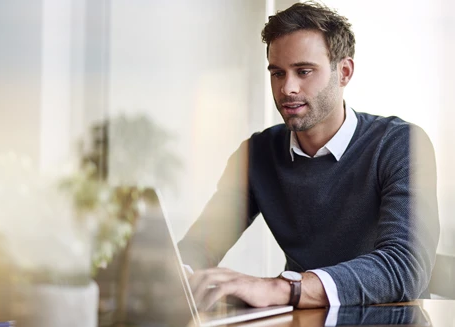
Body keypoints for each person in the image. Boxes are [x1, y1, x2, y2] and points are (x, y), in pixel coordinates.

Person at [178, 1, 439, 310]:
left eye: (304, 71)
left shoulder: (399, 144)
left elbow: (405, 267)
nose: (287, 88)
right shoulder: (257, 153)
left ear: (344, 72)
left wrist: (284, 288)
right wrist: (177, 275)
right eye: (277, 73)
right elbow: (199, 247)